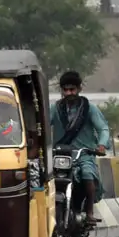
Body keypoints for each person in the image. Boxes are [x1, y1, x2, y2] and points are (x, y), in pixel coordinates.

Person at [50, 70, 110, 220]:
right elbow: (41, 126)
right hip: (61, 154)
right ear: (62, 90)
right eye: (66, 90)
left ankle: (89, 212)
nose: (69, 93)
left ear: (79, 89)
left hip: (84, 154)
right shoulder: (55, 109)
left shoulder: (89, 108)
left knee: (87, 175)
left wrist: (101, 144)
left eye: (72, 89)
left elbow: (103, 128)